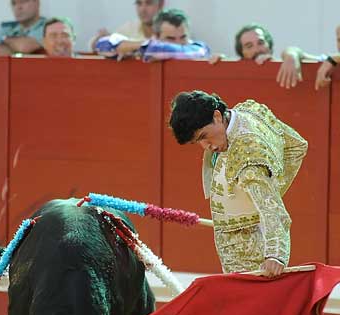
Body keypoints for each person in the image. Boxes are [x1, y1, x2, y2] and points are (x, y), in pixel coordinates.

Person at [169, 91, 308, 277]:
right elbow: (296, 145)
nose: (206, 146)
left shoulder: (247, 154)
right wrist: (265, 189)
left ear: (217, 116)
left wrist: (275, 254)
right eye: (198, 141)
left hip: (252, 256)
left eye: (204, 136)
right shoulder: (245, 113)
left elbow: (271, 208)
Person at [95, 8, 210, 62]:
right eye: (170, 38)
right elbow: (102, 45)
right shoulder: (148, 46)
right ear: (156, 36)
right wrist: (142, 46)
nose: (179, 43)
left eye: (183, 37)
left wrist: (146, 48)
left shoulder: (199, 48)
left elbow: (189, 52)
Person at [90, 0, 164, 52]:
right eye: (139, 3)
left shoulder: (170, 28)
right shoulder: (129, 28)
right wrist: (100, 39)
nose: (143, 9)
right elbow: (97, 45)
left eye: (149, 3)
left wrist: (125, 46)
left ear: (161, 4)